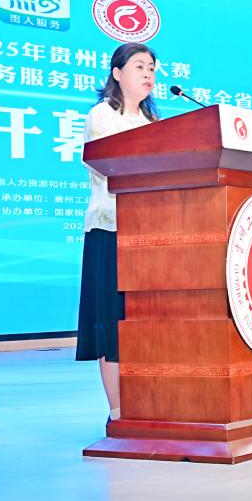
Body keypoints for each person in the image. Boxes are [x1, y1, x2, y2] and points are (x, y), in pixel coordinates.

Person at [77, 42, 159, 422]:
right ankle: (119, 411)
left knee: (146, 324)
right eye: (140, 66)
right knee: (113, 326)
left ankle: (149, 402)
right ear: (117, 73)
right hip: (110, 232)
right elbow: (110, 166)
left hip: (150, 237)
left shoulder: (154, 124)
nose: (148, 74)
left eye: (152, 68)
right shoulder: (102, 116)